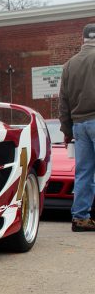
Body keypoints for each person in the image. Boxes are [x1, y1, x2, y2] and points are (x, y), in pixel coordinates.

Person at [59, 23, 95, 232]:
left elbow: (63, 102)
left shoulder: (69, 65)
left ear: (83, 40)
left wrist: (66, 131)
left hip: (79, 125)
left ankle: (80, 217)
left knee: (83, 172)